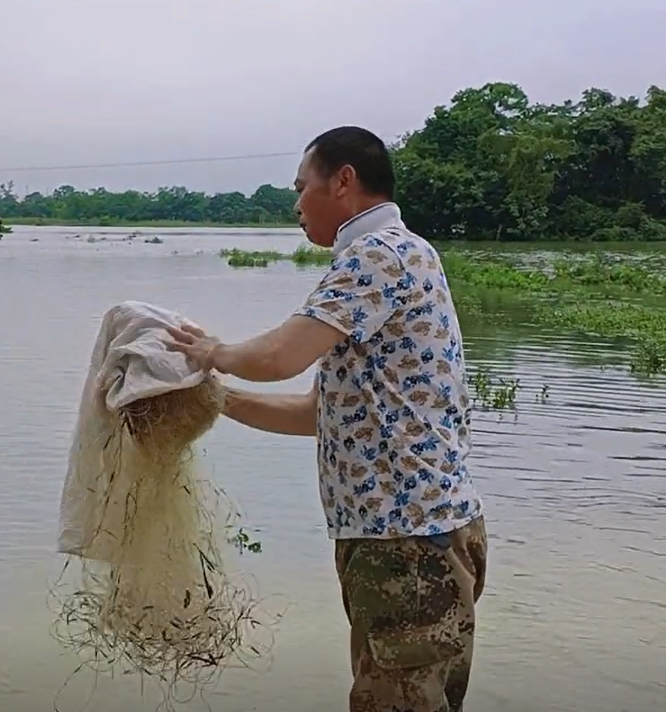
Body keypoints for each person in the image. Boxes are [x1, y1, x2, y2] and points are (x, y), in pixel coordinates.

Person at [165, 125, 487, 712]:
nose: (295, 204)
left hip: (405, 543)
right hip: (415, 536)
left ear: (344, 181)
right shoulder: (403, 253)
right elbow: (322, 414)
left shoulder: (378, 254)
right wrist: (216, 398)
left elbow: (278, 357)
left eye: (300, 185)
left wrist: (210, 352)